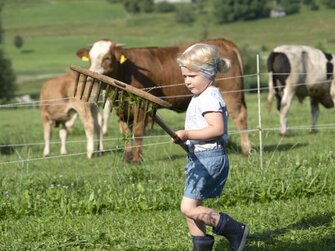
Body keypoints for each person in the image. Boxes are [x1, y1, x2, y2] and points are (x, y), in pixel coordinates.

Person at [174, 43, 249, 251]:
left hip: (209, 159)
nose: (187, 81)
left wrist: (188, 134)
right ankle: (202, 247)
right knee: (193, 208)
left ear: (208, 73)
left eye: (192, 76)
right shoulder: (201, 95)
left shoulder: (209, 97)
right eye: (184, 77)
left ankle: (234, 229)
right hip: (200, 157)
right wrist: (188, 141)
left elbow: (216, 129)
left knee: (188, 207)